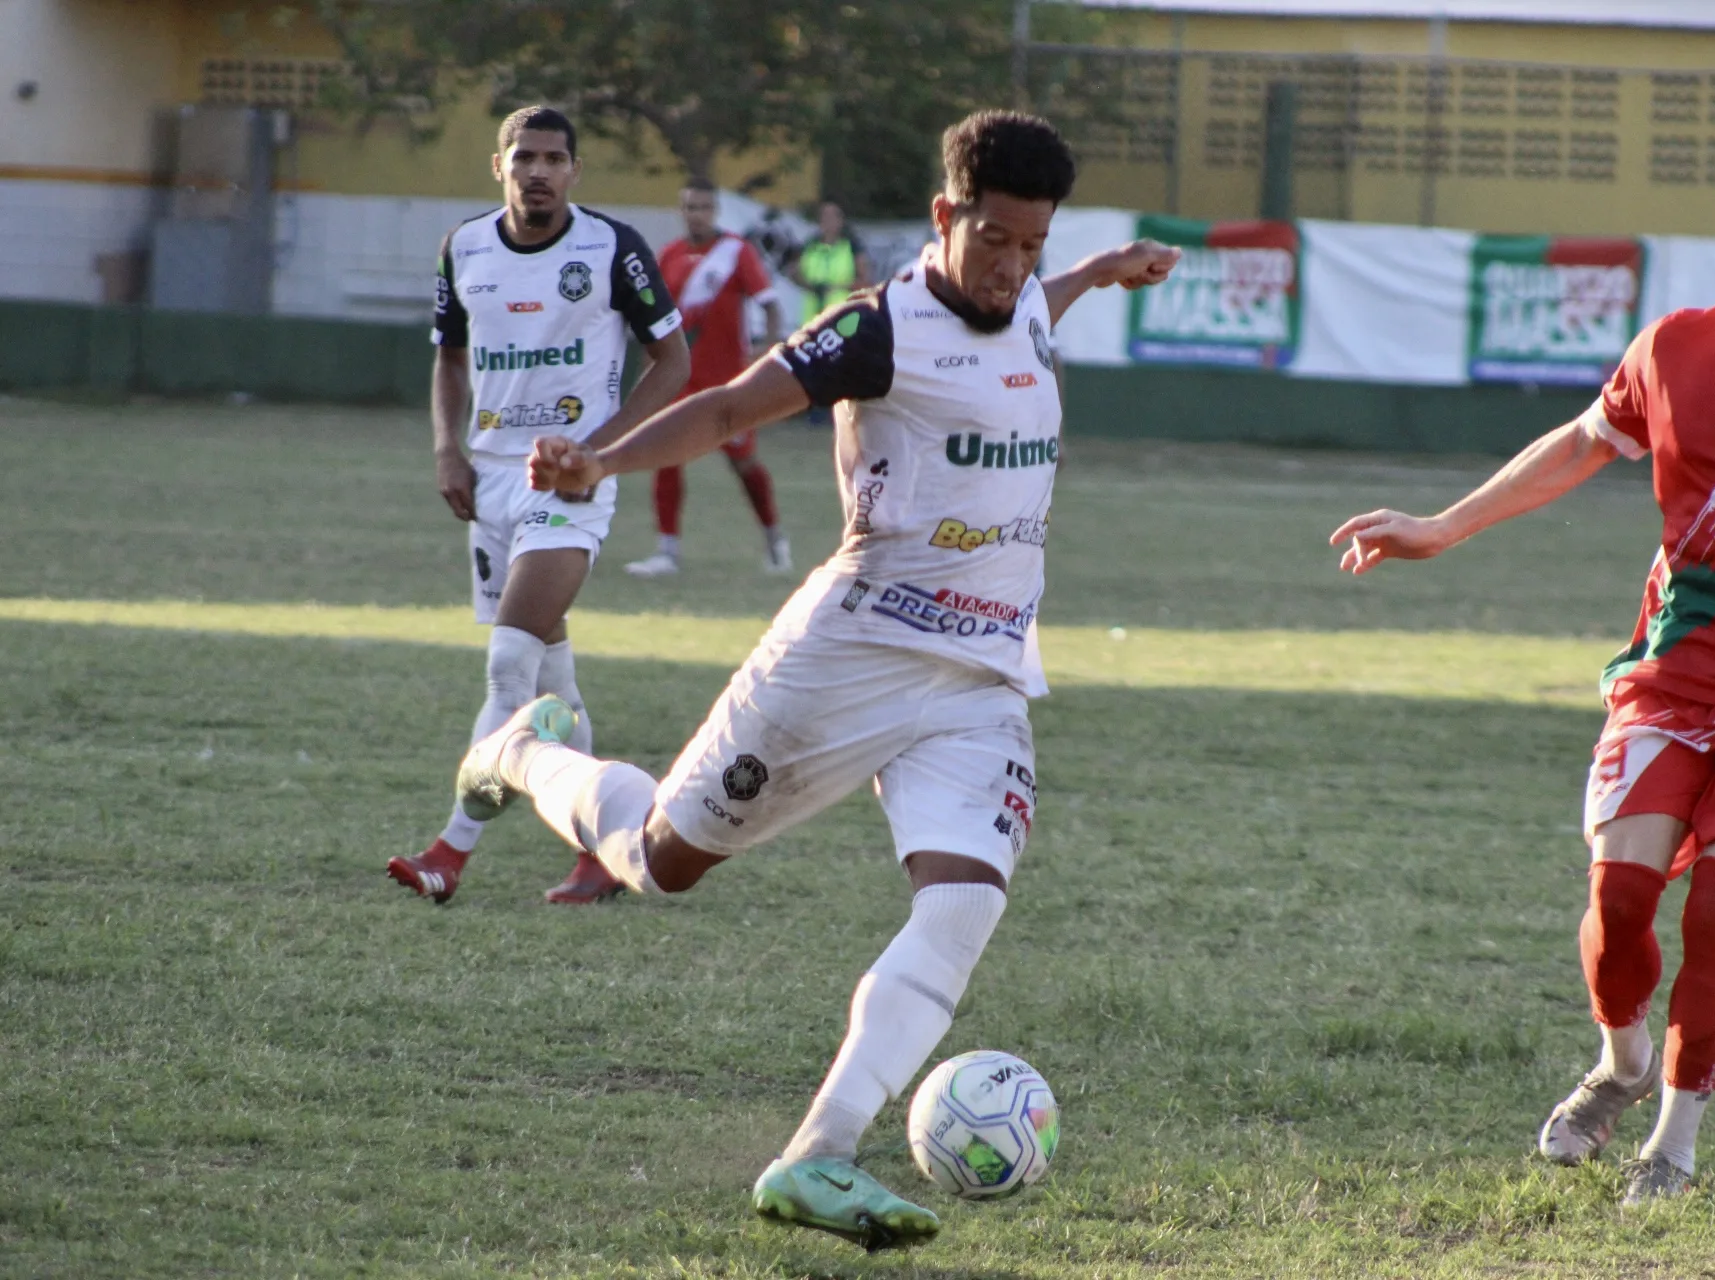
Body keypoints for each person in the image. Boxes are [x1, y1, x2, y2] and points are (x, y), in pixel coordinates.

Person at [448, 110, 1177, 1248]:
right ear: (944, 217)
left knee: (966, 899)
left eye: (1033, 244)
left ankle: (816, 1153)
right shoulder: (880, 327)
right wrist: (601, 455)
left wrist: (1093, 269)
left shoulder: (1029, 291)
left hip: (982, 678)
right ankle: (517, 749)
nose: (1012, 266)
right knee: (656, 863)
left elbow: (1041, 302)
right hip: (849, 649)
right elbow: (734, 404)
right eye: (994, 238)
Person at [1329, 151, 1715, 1205]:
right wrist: (1443, 526)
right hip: (1673, 672)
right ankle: (1622, 1060)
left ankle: (1674, 1141)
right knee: (1621, 892)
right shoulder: (1674, 350)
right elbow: (1582, 443)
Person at [386, 105, 690, 908]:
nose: (540, 171)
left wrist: (603, 454)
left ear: (575, 170)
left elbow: (674, 361)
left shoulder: (613, 247)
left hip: (570, 484)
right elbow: (449, 357)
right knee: (554, 674)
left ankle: (449, 851)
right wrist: (447, 448)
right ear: (500, 167)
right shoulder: (465, 246)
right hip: (488, 481)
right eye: (525, 157)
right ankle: (604, 850)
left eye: (555, 157)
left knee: (509, 666)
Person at [625, 178, 791, 579]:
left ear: (714, 211)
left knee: (744, 463)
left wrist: (764, 354)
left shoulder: (736, 252)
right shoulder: (669, 256)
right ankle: (667, 551)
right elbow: (657, 323)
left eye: (702, 207)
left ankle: (775, 541)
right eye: (688, 207)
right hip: (680, 380)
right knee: (667, 456)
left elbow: (769, 305)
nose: (695, 214)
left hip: (727, 384)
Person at [789, 199, 874, 324]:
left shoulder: (851, 247)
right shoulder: (810, 246)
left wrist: (836, 287)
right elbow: (794, 272)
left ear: (841, 220)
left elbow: (865, 280)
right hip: (812, 316)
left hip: (842, 316)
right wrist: (811, 286)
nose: (827, 221)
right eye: (823, 216)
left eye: (832, 216)